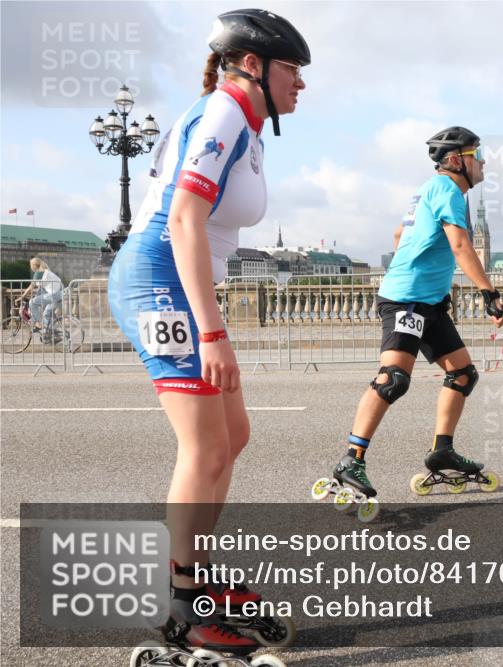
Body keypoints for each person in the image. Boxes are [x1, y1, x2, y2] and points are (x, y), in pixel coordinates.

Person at [108, 8, 308, 655]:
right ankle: (184, 603)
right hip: (158, 275)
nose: (300, 84)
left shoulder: (241, 123)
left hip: (176, 278)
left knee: (234, 435)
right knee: (206, 449)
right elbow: (185, 223)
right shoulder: (224, 110)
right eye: (291, 70)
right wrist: (214, 333)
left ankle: (192, 572)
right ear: (252, 65)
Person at [314, 127, 503, 514]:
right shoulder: (449, 191)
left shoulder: (428, 190)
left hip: (428, 301)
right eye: (478, 154)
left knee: (463, 374)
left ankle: (442, 452)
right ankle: (351, 458)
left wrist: (426, 273)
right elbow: (459, 244)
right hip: (406, 299)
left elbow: (400, 232)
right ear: (457, 160)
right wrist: (489, 292)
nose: (484, 161)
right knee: (392, 379)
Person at [20, 258, 63, 338]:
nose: (31, 268)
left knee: (32, 302)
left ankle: (39, 323)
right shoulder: (46, 271)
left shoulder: (39, 273)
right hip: (60, 294)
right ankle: (51, 336)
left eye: (31, 266)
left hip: (54, 295)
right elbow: (41, 290)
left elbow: (31, 287)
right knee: (47, 314)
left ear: (34, 266)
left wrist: (22, 297)